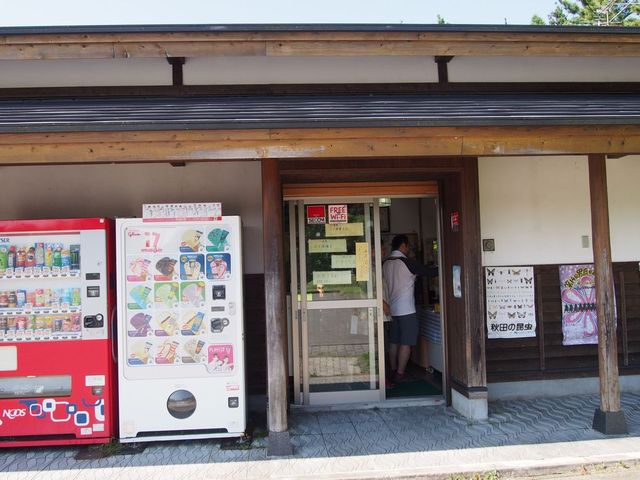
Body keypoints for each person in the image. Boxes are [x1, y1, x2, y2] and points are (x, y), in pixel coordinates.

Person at [383, 234, 437, 383]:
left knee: (394, 341)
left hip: (391, 309)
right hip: (406, 309)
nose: (408, 249)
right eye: (408, 246)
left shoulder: (385, 263)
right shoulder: (408, 263)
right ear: (404, 246)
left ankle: (393, 369)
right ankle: (400, 373)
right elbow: (430, 272)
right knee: (406, 342)